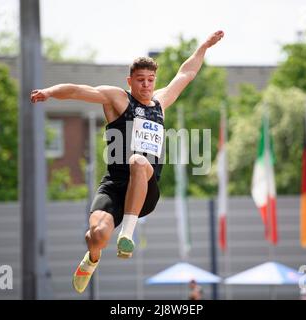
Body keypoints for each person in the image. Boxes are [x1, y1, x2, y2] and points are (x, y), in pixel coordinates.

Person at [30, 30, 224, 293]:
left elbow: (186, 73)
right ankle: (93, 257)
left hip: (145, 189)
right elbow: (78, 90)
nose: (146, 85)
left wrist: (204, 46)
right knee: (96, 235)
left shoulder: (161, 102)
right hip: (114, 185)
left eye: (150, 80)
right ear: (130, 80)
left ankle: (127, 235)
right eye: (141, 80)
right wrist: (49, 92)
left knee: (138, 161)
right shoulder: (117, 98)